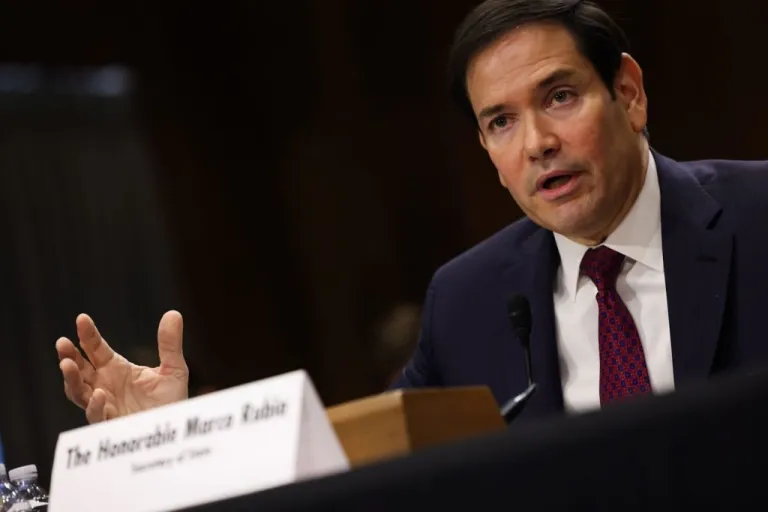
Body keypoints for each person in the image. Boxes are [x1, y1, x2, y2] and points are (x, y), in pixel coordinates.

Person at [56, 0, 768, 424]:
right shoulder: (470, 299)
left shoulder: (754, 216)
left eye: (559, 96)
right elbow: (361, 466)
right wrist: (175, 439)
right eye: (500, 122)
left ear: (630, 93)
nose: (538, 144)